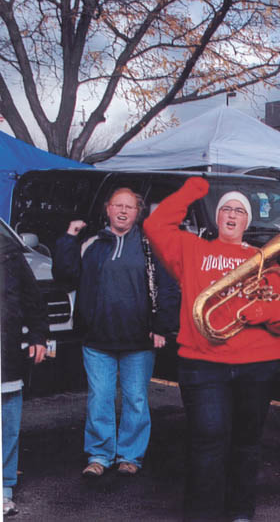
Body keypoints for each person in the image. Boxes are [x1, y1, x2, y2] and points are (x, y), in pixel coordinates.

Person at [143, 177, 280, 521]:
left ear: (247, 221)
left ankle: (240, 512)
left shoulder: (264, 261)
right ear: (216, 217)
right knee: (207, 440)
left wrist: (261, 312)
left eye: (239, 210)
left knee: (246, 443)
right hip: (203, 364)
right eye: (225, 208)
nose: (231, 214)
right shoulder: (191, 249)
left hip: (258, 365)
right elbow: (155, 224)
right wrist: (190, 190)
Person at [53, 187, 178, 478]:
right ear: (108, 209)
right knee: (100, 397)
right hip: (97, 339)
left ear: (138, 213)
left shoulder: (151, 245)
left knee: (135, 398)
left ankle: (130, 456)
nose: (123, 211)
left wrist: (162, 327)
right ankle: (99, 455)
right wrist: (69, 237)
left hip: (139, 341)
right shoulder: (91, 243)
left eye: (130, 207)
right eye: (117, 205)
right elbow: (65, 274)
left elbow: (168, 288)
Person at [2, 234, 48, 516]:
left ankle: (3, 488)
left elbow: (33, 300)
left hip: (4, 352)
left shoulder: (10, 254)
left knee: (6, 424)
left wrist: (38, 336)